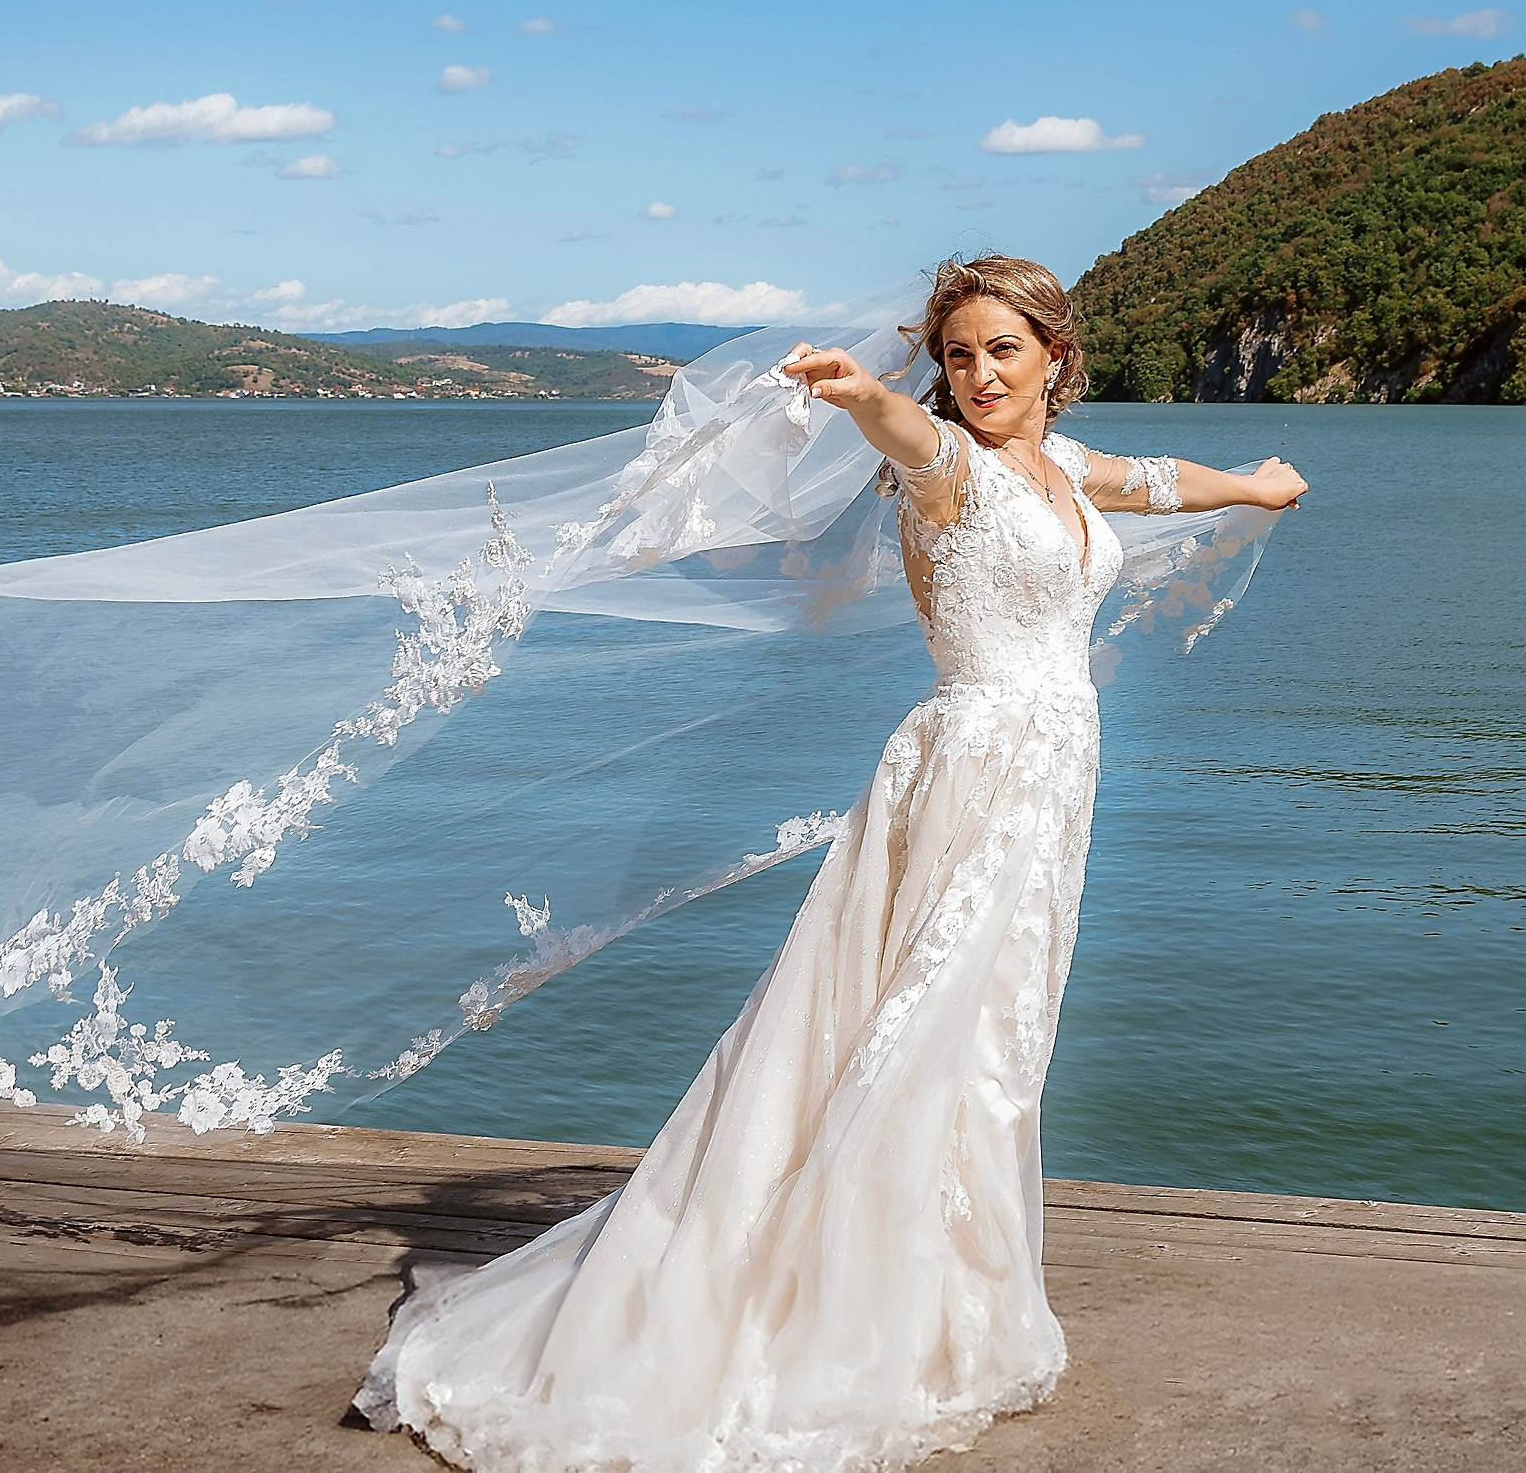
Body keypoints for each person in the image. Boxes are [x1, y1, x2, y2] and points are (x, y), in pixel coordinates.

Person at [356, 255, 1308, 1472]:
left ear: (1054, 357)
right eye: (957, 354)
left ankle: (946, 1293)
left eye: (1001, 350)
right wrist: (862, 392)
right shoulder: (945, 463)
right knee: (938, 1033)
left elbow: (1158, 481)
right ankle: (872, 1317)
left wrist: (1256, 484)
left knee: (999, 1036)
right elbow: (903, 431)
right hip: (973, 775)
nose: (977, 374)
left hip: (1049, 782)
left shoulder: (1064, 467)